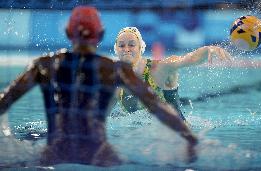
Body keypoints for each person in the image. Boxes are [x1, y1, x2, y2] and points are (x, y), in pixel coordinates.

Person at [0, 6, 197, 166]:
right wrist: (189, 138)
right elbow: (156, 106)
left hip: (55, 151)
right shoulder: (114, 70)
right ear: (100, 34)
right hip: (98, 153)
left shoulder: (43, 65)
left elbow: (5, 100)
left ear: (68, 32)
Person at [114, 27, 231, 121]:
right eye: (121, 45)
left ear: (140, 47)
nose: (126, 49)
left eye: (131, 44)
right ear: (116, 49)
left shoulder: (160, 68)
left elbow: (187, 59)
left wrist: (207, 50)